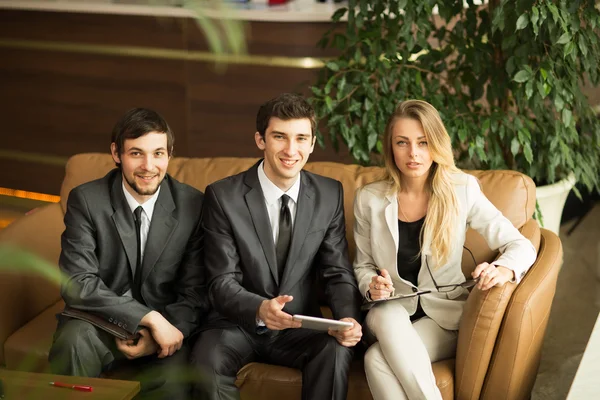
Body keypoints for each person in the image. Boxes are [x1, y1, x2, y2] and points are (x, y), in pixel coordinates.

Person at [353, 100, 537, 400]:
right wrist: (372, 287)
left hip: (443, 319)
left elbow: (521, 245)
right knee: (387, 315)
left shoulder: (461, 189)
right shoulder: (368, 199)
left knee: (376, 360)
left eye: (423, 142)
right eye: (402, 142)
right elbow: (361, 266)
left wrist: (502, 269)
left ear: (436, 144)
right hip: (388, 311)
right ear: (391, 148)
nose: (413, 153)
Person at [190, 93, 363, 400]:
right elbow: (221, 282)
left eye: (301, 138)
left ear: (312, 143)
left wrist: (347, 319)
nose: (291, 150)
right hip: (237, 325)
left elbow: (337, 272)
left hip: (300, 325)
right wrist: (259, 308)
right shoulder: (222, 196)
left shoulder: (329, 194)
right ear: (260, 140)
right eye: (279, 137)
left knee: (335, 351)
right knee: (206, 362)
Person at [49, 108, 208, 400]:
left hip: (166, 327)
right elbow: (78, 281)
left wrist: (158, 331)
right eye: (136, 153)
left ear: (170, 154)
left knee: (175, 385)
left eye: (158, 153)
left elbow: (195, 293)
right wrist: (147, 317)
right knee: (72, 343)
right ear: (116, 153)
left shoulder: (193, 205)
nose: (149, 166)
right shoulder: (86, 200)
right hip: (99, 321)